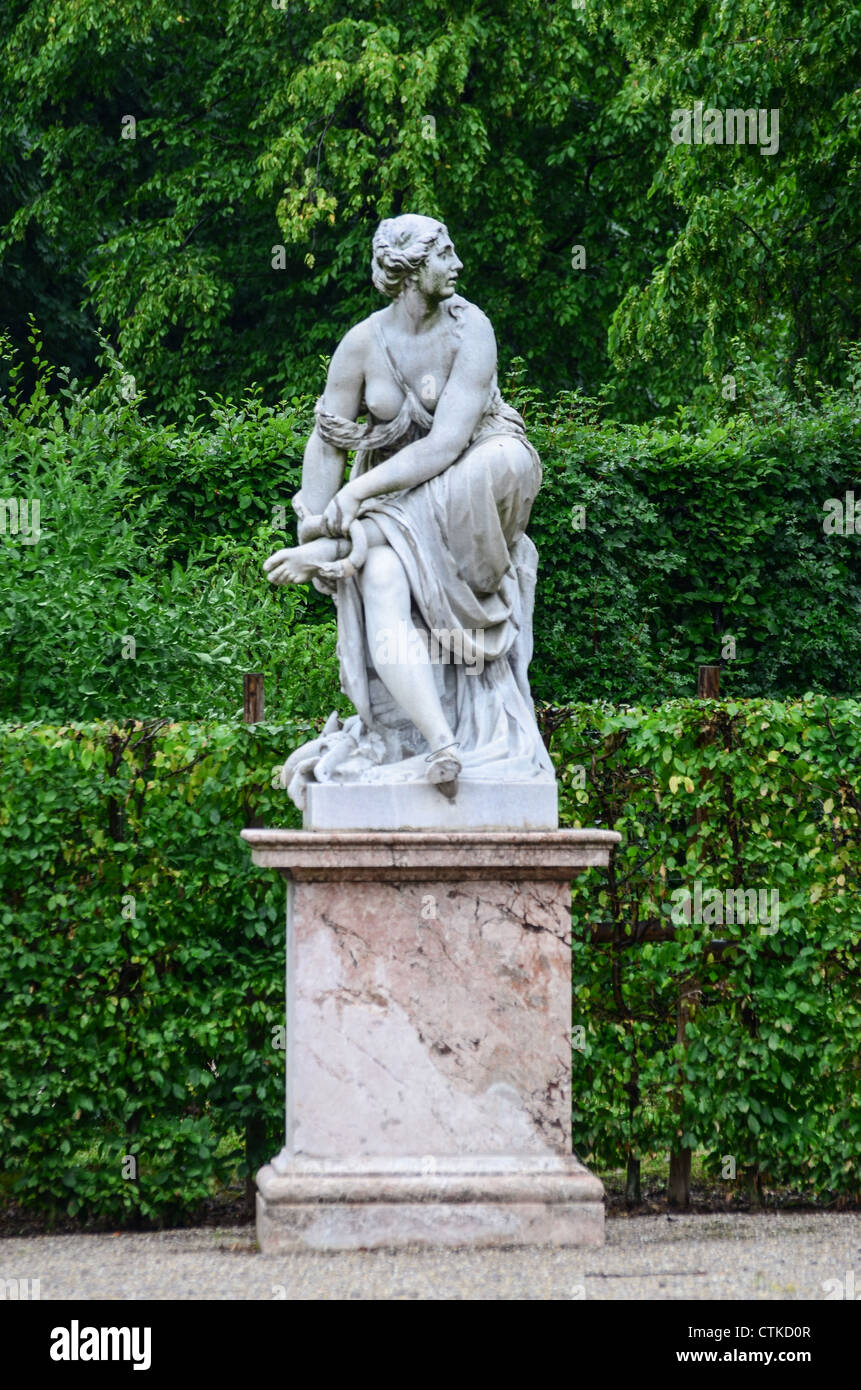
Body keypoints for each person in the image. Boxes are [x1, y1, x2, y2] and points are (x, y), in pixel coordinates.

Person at [264, 213, 554, 806]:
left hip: (484, 469)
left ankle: (344, 546)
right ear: (411, 269)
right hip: (399, 504)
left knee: (474, 474)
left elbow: (447, 445)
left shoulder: (470, 328)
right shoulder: (362, 344)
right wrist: (316, 512)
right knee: (381, 578)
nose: (458, 266)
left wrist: (357, 500)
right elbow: (328, 440)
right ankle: (441, 744)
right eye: (445, 255)